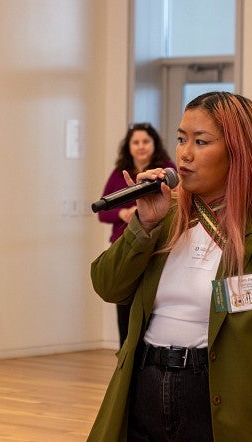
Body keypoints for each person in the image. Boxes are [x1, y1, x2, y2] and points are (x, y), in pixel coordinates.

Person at [89, 92, 252, 441]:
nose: (184, 153)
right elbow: (107, 286)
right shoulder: (162, 220)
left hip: (216, 397)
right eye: (180, 139)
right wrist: (141, 226)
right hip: (142, 388)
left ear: (238, 152)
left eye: (200, 141)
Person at [97, 122, 175, 348]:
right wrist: (124, 213)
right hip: (124, 247)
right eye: (136, 142)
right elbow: (103, 213)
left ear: (154, 144)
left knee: (150, 307)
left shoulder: (165, 170)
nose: (141, 146)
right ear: (129, 147)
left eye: (145, 141)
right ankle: (124, 354)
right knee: (124, 306)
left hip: (156, 247)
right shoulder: (118, 173)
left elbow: (177, 203)